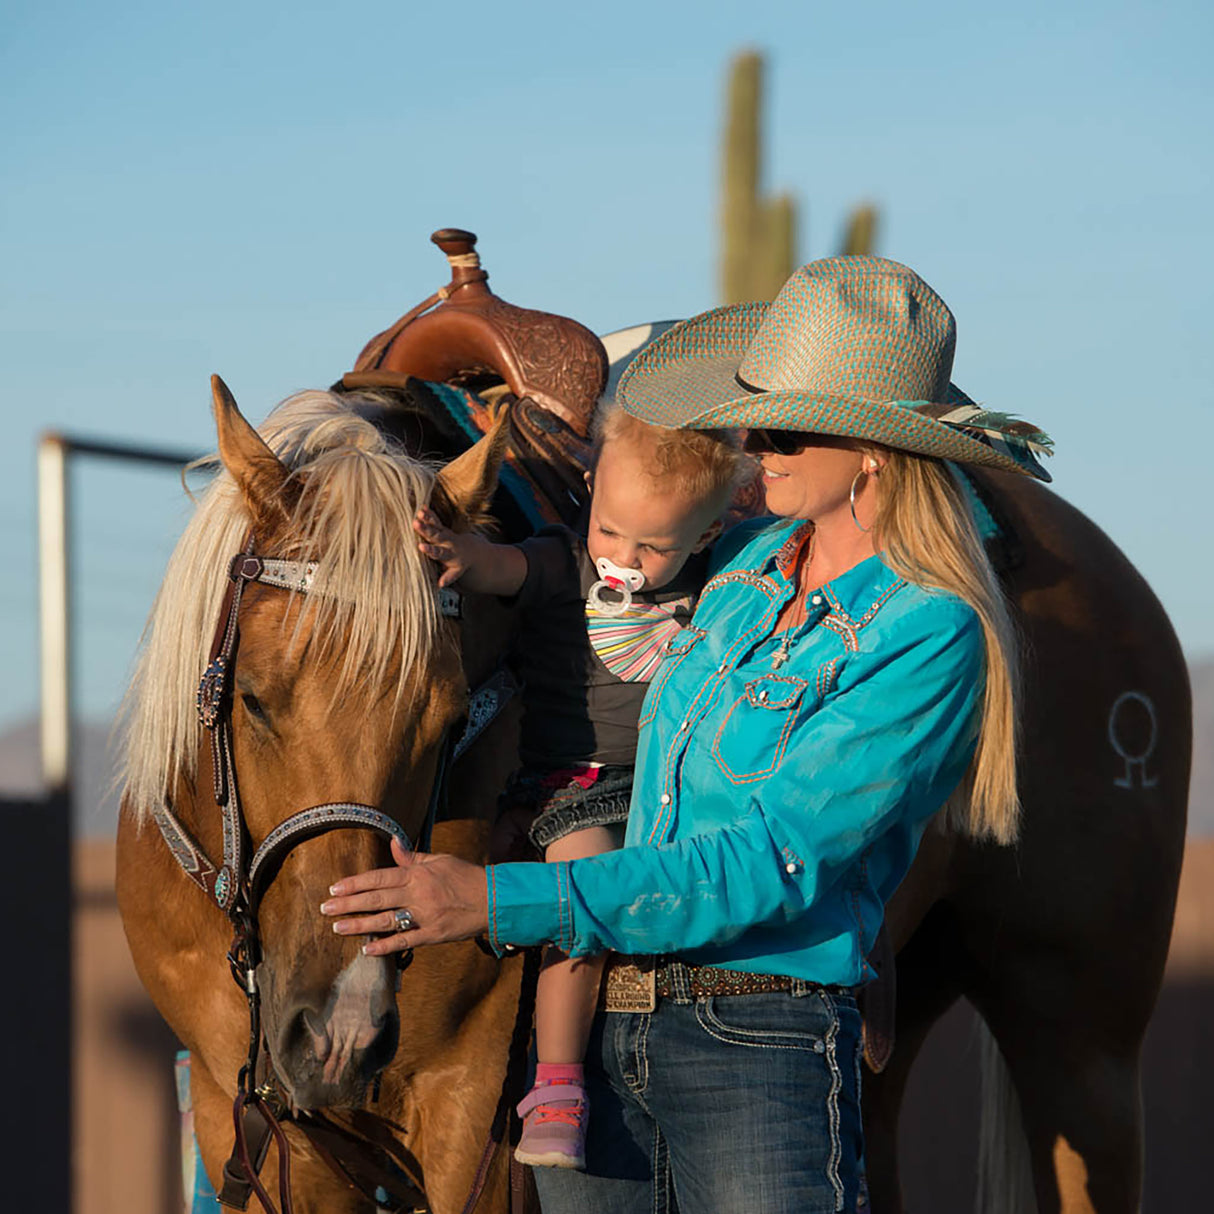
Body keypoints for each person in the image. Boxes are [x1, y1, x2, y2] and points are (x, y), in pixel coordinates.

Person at [320, 255, 1053, 1212]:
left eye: (785, 425)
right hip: (608, 1034)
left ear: (873, 451)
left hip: (758, 1044)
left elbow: (766, 865)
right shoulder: (737, 565)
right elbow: (588, 628)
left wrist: (499, 899)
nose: (756, 442)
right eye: (755, 416)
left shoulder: (927, 631)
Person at [413, 406, 746, 1169]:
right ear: (590, 491)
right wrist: (460, 553)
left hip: (672, 784)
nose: (623, 559)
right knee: (579, 897)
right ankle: (558, 1085)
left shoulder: (719, 588)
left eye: (651, 547)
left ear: (703, 535)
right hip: (578, 781)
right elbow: (504, 567)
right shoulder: (567, 564)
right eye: (610, 531)